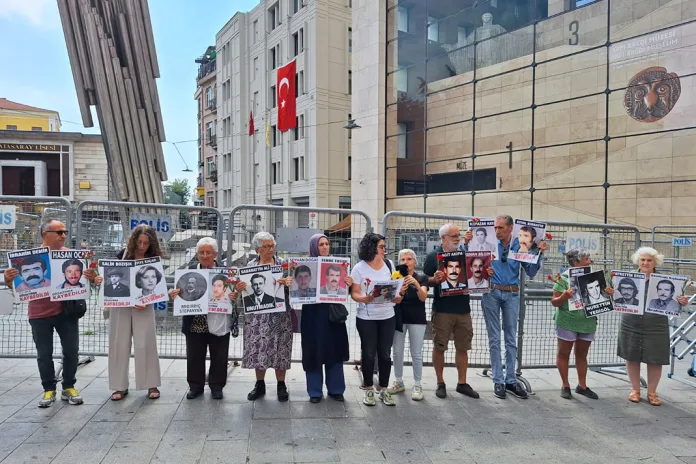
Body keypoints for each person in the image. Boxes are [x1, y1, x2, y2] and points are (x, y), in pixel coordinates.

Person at [4, 220, 100, 408]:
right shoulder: (29, 258)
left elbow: (92, 280)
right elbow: (17, 289)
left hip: (66, 312)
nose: (63, 235)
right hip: (39, 314)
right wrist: (8, 280)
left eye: (64, 232)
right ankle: (49, 389)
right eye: (59, 232)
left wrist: (91, 276)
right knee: (44, 354)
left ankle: (69, 387)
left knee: (71, 351)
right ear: (44, 234)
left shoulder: (71, 256)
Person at [482, 215, 547, 399]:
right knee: (494, 338)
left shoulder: (519, 246)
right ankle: (498, 380)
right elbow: (473, 266)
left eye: (501, 228)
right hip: (491, 292)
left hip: (511, 293)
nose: (497, 231)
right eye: (495, 228)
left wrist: (540, 253)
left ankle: (510, 380)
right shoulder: (489, 245)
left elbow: (531, 272)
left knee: (511, 338)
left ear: (511, 228)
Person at [618, 247, 688, 406]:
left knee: (655, 359)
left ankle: (652, 392)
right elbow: (616, 296)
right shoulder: (628, 278)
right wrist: (611, 293)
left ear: (655, 262)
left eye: (649, 260)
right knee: (631, 356)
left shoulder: (666, 282)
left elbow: (676, 304)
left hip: (656, 325)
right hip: (631, 323)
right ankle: (635, 390)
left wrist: (682, 302)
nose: (645, 262)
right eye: (643, 259)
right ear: (637, 261)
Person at [424, 223, 484, 400]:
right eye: (454, 236)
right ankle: (440, 382)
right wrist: (435, 279)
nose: (457, 239)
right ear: (443, 238)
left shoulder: (466, 255)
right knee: (439, 346)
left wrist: (486, 273)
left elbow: (476, 276)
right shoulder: (433, 256)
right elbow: (426, 280)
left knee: (463, 347)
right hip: (443, 309)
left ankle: (462, 383)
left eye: (458, 235)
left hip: (463, 309)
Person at [170, 237, 234, 400]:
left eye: (208, 252)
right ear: (197, 254)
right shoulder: (189, 271)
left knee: (220, 355)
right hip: (195, 322)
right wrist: (173, 294)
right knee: (194, 356)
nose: (204, 255)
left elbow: (233, 295)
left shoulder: (225, 273)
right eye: (201, 252)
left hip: (218, 320)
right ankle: (195, 386)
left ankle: (217, 386)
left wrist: (234, 294)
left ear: (215, 254)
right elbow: (179, 292)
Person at [235, 232, 293, 402]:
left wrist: (288, 283)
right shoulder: (250, 266)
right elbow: (244, 291)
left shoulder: (283, 265)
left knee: (280, 349)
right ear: (258, 249)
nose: (270, 249)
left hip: (280, 316)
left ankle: (281, 385)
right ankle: (259, 384)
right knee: (259, 348)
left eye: (272, 246)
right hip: (257, 318)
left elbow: (296, 290)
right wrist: (240, 287)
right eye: (266, 246)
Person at [108, 225, 162, 401]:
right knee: (119, 343)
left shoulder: (153, 258)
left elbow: (157, 287)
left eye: (146, 243)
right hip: (121, 306)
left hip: (144, 305)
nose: (142, 246)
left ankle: (151, 383)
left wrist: (148, 300)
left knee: (145, 343)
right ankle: (119, 385)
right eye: (139, 242)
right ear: (133, 241)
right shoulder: (123, 255)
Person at [350, 233, 405, 406]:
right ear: (372, 248)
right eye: (381, 247)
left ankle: (383, 389)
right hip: (366, 316)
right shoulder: (359, 268)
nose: (384, 249)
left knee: (385, 354)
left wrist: (398, 297)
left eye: (384, 246)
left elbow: (397, 290)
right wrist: (363, 298)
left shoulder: (389, 264)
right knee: (368, 352)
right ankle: (368, 389)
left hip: (387, 315)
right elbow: (354, 292)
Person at [551, 249, 613, 400]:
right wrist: (564, 296)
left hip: (587, 321)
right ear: (575, 262)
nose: (589, 261)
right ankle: (565, 385)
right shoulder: (563, 279)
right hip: (567, 320)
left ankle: (582, 386)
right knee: (563, 353)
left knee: (582, 354)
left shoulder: (595, 278)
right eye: (586, 259)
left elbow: (602, 298)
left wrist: (609, 293)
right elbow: (555, 302)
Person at [301, 234, 350, 403]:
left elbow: (343, 291)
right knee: (313, 350)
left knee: (334, 350)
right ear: (314, 246)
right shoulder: (304, 265)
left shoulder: (336, 266)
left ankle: (336, 389)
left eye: (327, 244)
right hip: (312, 315)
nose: (324, 247)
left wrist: (347, 283)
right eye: (321, 244)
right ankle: (314, 392)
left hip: (332, 315)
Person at [387, 249, 428, 401]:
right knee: (397, 351)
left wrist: (416, 283)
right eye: (403, 260)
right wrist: (401, 290)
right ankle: (398, 381)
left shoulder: (422, 277)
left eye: (409, 259)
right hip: (399, 317)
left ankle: (417, 384)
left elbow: (423, 297)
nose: (406, 262)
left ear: (415, 262)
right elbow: (393, 299)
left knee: (416, 352)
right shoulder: (395, 277)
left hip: (417, 318)